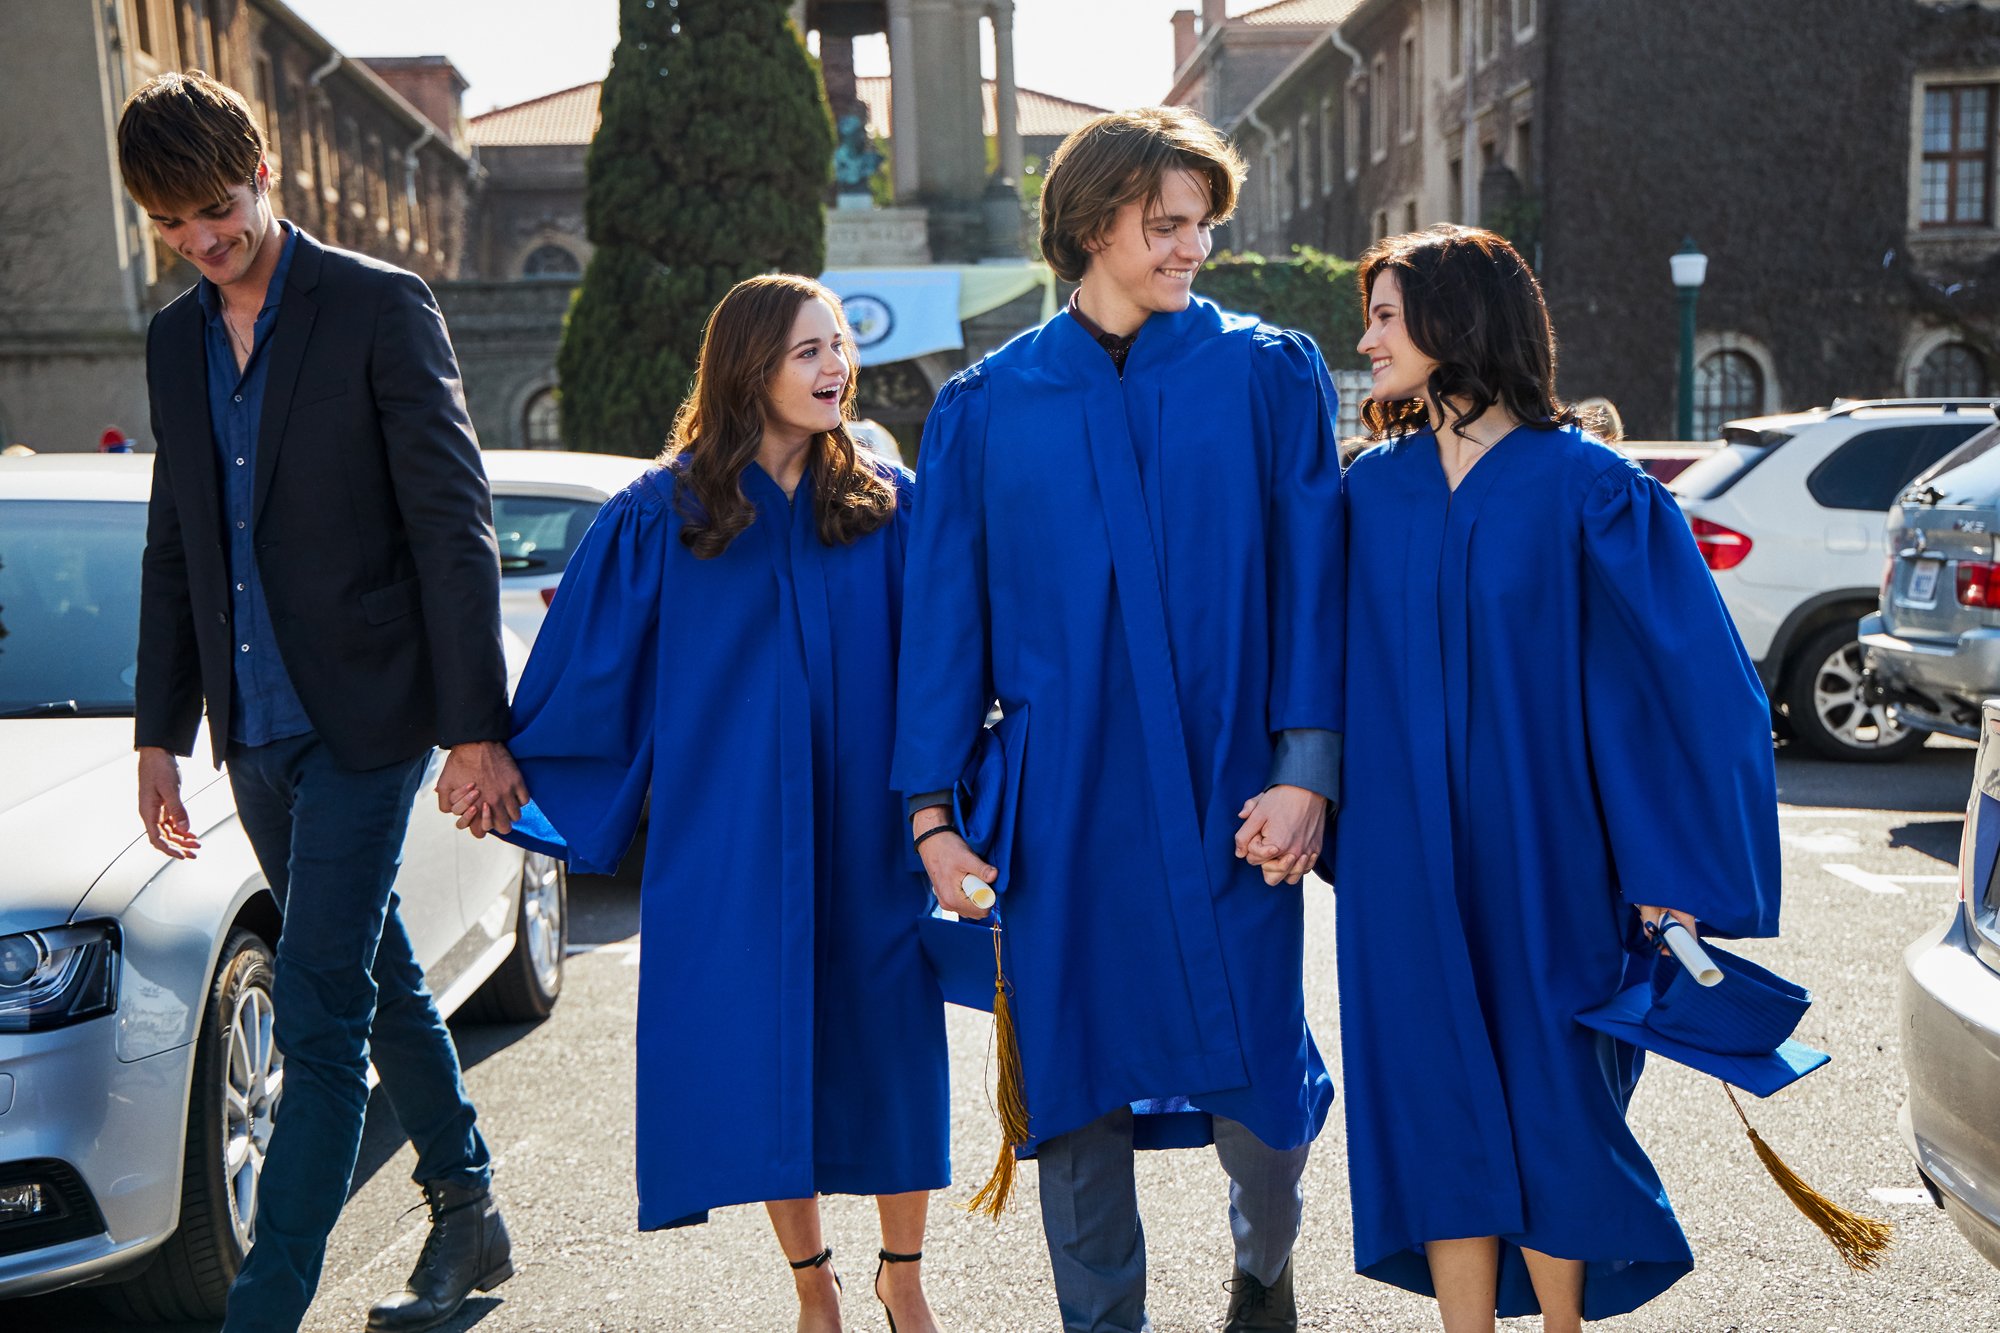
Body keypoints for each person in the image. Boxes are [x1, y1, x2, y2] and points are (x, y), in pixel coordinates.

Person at [892, 106, 1344, 1333]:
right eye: (1166, 225)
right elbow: (943, 623)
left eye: (1202, 222)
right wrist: (933, 811)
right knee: (1072, 1081)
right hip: (1064, 794)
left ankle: (1264, 1258)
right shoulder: (987, 405)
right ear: (1092, 227)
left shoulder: (1264, 372)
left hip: (1230, 785)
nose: (1193, 246)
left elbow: (1312, 579)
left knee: (1257, 1081)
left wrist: (1305, 767)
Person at [452, 274, 949, 1333]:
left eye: (837, 348)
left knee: (890, 1053)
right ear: (746, 370)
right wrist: (492, 751)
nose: (834, 369)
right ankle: (813, 1284)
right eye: (806, 352)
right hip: (732, 840)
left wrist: (941, 810)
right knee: (766, 1058)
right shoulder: (661, 516)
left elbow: (946, 666)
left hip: (869, 832)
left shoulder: (885, 504)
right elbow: (584, 672)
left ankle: (899, 1273)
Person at [119, 70, 525, 1333]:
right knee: (373, 968)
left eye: (218, 204)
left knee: (320, 1003)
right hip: (252, 732)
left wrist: (475, 726)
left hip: (369, 718)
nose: (203, 237)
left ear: (264, 171)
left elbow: (454, 526)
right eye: (174, 221)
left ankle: (265, 1305)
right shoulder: (173, 339)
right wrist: (155, 733)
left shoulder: (373, 306)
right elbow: (177, 540)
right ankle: (468, 1206)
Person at [1335, 225, 1781, 1331]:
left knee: (1552, 1097)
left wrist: (1668, 866)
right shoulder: (1364, 495)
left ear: (1454, 321)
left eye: (1386, 316)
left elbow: (1682, 687)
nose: (1366, 339)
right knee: (1430, 1094)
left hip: (1550, 856)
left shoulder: (1589, 488)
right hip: (1402, 858)